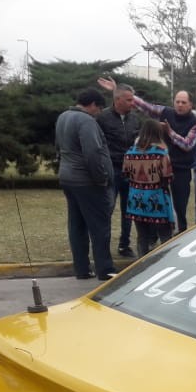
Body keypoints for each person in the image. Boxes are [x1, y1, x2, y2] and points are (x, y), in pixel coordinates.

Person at [97, 77, 196, 233]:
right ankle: (153, 239)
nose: (179, 105)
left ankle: (180, 236)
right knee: (156, 205)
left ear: (191, 105)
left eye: (183, 102)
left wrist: (169, 132)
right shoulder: (166, 112)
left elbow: (187, 145)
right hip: (159, 169)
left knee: (179, 207)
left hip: (181, 171)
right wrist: (116, 89)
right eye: (177, 101)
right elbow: (146, 107)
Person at [54, 88, 116, 280]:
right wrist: (101, 177)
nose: (98, 114)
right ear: (93, 105)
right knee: (99, 226)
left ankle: (81, 268)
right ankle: (104, 269)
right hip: (86, 180)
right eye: (99, 109)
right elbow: (92, 152)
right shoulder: (86, 121)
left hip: (67, 177)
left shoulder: (63, 116)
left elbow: (58, 146)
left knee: (77, 224)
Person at [95, 82, 143, 258]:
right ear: (118, 100)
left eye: (133, 99)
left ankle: (124, 245)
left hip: (130, 171)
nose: (133, 103)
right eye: (129, 100)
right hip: (111, 169)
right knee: (107, 207)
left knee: (128, 210)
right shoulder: (102, 118)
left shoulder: (135, 119)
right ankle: (102, 246)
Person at [123, 120, 175, 256]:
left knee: (142, 236)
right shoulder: (161, 153)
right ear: (159, 133)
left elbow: (125, 174)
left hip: (135, 200)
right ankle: (166, 265)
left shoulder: (130, 152)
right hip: (157, 199)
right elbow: (167, 177)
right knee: (165, 236)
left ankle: (142, 266)